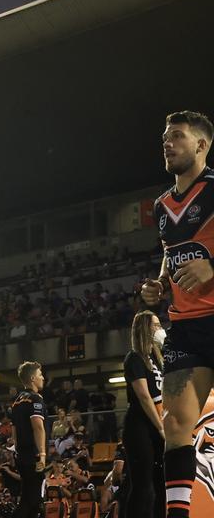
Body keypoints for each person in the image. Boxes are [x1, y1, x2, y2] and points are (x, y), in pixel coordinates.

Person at [141, 110, 214, 518]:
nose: (168, 144)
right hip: (185, 329)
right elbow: (171, 255)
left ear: (201, 145)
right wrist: (161, 285)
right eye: (165, 137)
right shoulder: (162, 204)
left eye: (178, 137)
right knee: (175, 426)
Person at [121, 310, 165, 518]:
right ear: (144, 329)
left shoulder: (156, 358)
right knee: (143, 486)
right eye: (154, 325)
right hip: (139, 426)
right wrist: (160, 427)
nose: (159, 329)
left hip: (156, 424)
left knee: (159, 484)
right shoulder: (134, 357)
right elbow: (144, 396)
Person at [10, 361, 47, 518]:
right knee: (30, 500)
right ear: (32, 378)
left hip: (22, 455)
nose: (43, 378)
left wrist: (17, 452)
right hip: (33, 455)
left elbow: (14, 430)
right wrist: (42, 454)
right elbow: (38, 427)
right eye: (40, 375)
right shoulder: (35, 399)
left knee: (32, 501)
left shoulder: (17, 401)